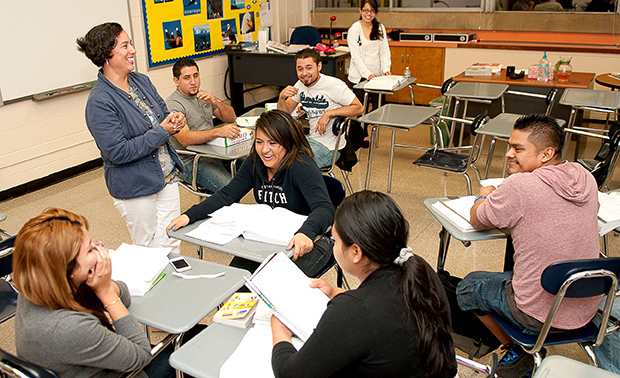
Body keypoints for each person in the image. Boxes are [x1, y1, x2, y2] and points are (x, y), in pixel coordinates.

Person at [456, 114, 600, 378]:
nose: (509, 154)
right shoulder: (585, 177)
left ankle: (518, 349)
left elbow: (477, 218)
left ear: (546, 153)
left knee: (469, 286)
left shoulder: (521, 185)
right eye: (510, 145)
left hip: (539, 315)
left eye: (518, 149)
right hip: (587, 309)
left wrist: (483, 197)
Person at [270, 190, 458, 378]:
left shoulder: (354, 310)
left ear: (356, 252)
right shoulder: (417, 268)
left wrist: (279, 329)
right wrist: (335, 291)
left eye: (335, 241)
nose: (333, 246)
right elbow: (386, 310)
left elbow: (290, 374)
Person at [167, 110, 334, 277]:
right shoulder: (255, 161)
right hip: (269, 239)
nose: (264, 150)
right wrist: (189, 215)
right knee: (236, 282)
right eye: (259, 142)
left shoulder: (301, 165)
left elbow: (324, 208)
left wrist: (305, 233)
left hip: (313, 240)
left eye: (273, 143)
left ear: (288, 142)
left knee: (271, 288)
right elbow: (228, 194)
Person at [13, 208, 173, 377]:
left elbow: (124, 294)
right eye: (90, 250)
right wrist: (106, 292)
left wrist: (101, 283)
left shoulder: (42, 284)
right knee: (192, 337)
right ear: (68, 269)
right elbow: (141, 355)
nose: (99, 250)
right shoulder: (69, 327)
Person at [77, 22, 184, 253]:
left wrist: (174, 120)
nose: (133, 50)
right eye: (125, 45)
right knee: (147, 250)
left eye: (131, 44)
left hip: (166, 176)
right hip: (135, 185)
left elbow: (162, 114)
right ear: (106, 54)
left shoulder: (140, 81)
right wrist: (163, 130)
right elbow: (118, 151)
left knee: (171, 240)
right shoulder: (100, 101)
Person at [277, 48, 364, 169]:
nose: (304, 73)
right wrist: (281, 97)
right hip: (310, 141)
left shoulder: (333, 85)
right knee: (274, 157)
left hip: (330, 148)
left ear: (319, 66)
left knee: (291, 167)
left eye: (309, 67)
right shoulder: (300, 84)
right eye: (300, 69)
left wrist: (329, 114)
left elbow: (359, 108)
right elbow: (283, 114)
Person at [166, 58, 240, 193]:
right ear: (176, 81)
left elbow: (231, 117)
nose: (193, 82)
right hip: (190, 161)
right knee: (230, 189)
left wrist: (216, 101)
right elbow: (185, 139)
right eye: (186, 78)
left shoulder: (202, 96)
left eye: (196, 76)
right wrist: (218, 132)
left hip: (213, 151)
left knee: (255, 165)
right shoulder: (174, 105)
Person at [346, 0, 391, 122]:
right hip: (359, 76)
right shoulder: (354, 30)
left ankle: (370, 128)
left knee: (379, 108)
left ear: (375, 12)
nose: (368, 13)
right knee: (362, 110)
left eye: (372, 10)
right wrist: (367, 75)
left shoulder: (380, 27)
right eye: (365, 10)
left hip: (377, 76)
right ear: (360, 11)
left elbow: (385, 51)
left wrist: (386, 69)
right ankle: (363, 136)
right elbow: (355, 57)